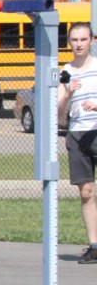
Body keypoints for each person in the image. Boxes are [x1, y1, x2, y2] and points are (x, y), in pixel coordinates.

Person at [58, 22, 97, 263]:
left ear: (92, 40)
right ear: (69, 42)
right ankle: (94, 244)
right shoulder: (66, 71)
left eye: (83, 39)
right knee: (86, 191)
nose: (79, 44)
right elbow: (60, 113)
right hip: (77, 134)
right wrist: (68, 94)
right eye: (75, 40)